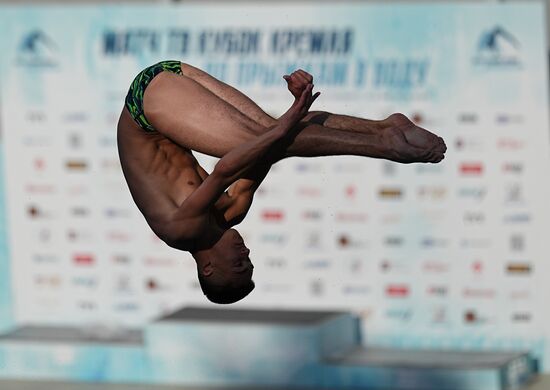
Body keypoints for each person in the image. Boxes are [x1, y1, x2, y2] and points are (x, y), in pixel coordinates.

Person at [117, 60, 447, 304]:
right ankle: (382, 127)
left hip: (145, 103)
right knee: (269, 133)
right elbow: (273, 151)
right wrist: (293, 110)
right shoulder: (233, 211)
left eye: (239, 263)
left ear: (208, 270)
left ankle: (386, 146)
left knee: (265, 135)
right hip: (173, 81)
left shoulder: (180, 231)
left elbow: (227, 168)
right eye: (250, 259)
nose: (245, 251)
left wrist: (288, 121)